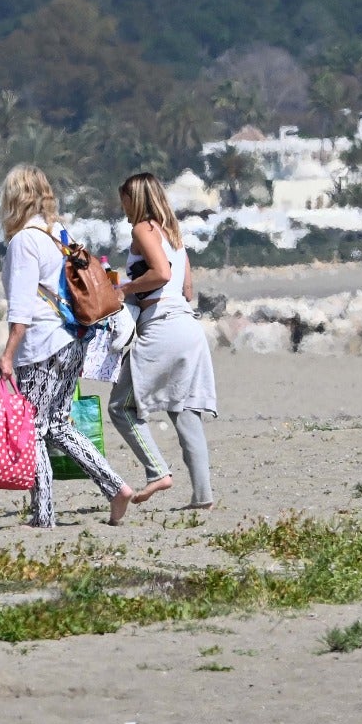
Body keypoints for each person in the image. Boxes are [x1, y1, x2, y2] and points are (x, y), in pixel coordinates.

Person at [0, 164, 134, 527]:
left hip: (41, 344)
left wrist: (8, 353)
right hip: (74, 340)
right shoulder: (58, 234)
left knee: (34, 429)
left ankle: (43, 515)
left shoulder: (24, 241)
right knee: (56, 423)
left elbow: (21, 307)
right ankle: (115, 486)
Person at [109, 172, 219, 509]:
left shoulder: (142, 229)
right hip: (188, 327)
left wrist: (123, 289)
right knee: (185, 413)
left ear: (136, 198)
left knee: (120, 407)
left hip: (162, 327)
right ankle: (203, 497)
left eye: (124, 199)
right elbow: (186, 288)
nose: (122, 206)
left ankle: (157, 472)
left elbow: (162, 273)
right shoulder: (173, 233)